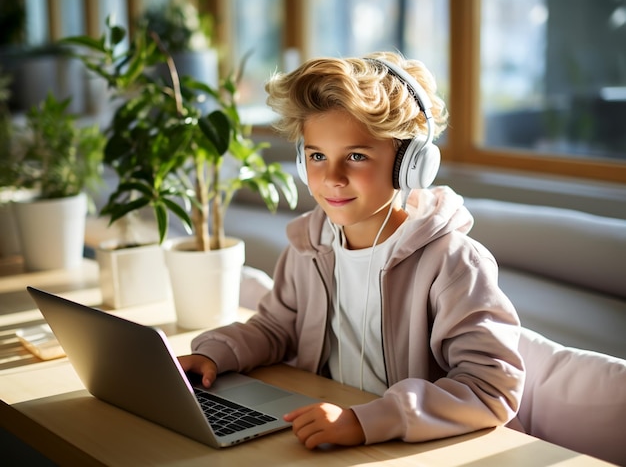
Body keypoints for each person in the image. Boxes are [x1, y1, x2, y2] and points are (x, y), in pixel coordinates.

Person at [178, 51, 525, 449]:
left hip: (406, 446)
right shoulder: (311, 246)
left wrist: (365, 421)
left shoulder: (453, 264)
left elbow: (491, 387)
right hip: (328, 426)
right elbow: (276, 329)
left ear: (409, 164)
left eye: (356, 156)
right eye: (317, 156)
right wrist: (215, 355)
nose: (332, 178)